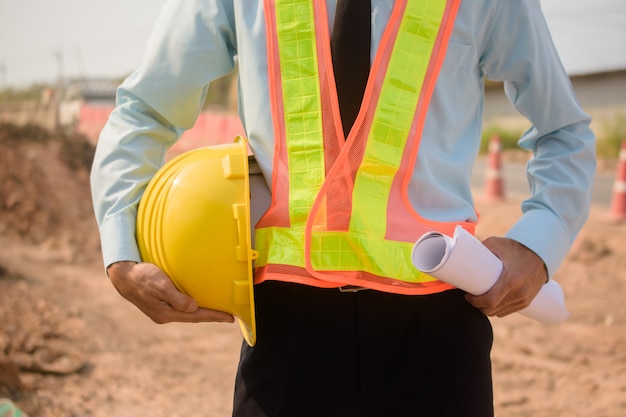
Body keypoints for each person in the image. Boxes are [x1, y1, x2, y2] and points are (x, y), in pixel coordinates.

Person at [90, 0, 596, 416]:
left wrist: (538, 242)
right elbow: (144, 110)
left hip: (437, 332)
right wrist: (120, 250)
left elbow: (563, 131)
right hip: (286, 333)